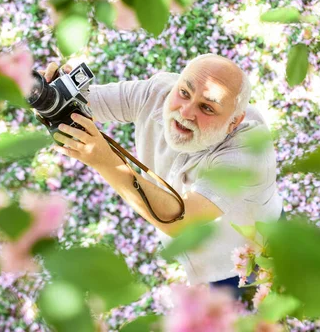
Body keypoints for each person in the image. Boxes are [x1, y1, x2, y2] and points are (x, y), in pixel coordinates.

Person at [41, 53, 282, 296]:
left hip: (237, 257)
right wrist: (53, 99)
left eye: (207, 107)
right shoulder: (157, 92)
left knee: (254, 299)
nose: (186, 112)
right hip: (195, 259)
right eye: (184, 93)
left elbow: (182, 222)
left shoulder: (249, 152)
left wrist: (107, 163)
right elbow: (88, 104)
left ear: (234, 122)